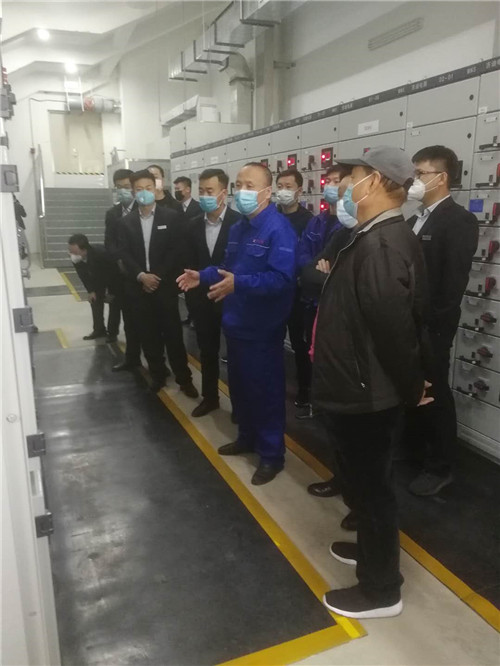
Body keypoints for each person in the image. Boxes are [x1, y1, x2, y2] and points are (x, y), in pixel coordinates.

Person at [313, 146, 432, 619]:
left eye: (354, 175)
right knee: (361, 484)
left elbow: (393, 329)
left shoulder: (381, 244)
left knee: (373, 491)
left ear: (377, 181)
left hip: (367, 393)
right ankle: (369, 550)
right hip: (355, 385)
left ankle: (381, 590)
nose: (344, 184)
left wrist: (410, 386)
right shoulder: (369, 236)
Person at [177, 162, 297, 485]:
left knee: (266, 393)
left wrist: (239, 284)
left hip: (263, 329)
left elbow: (282, 280)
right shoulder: (239, 228)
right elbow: (226, 268)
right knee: (241, 389)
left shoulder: (279, 229)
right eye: (239, 185)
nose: (242, 191)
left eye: (249, 186)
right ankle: (247, 437)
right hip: (236, 325)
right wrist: (202, 275)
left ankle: (271, 455)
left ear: (267, 192)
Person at [405, 145, 479, 496]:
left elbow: (452, 285)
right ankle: (416, 450)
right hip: (407, 323)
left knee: (435, 391)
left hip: (432, 326)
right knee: (412, 388)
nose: (415, 180)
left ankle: (440, 466)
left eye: (421, 173)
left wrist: (433, 329)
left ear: (442, 178)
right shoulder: (414, 219)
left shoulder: (458, 220)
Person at [302, 176, 359, 518]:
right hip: (331, 340)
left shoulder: (381, 239)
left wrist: (330, 277)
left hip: (359, 350)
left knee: (363, 440)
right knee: (338, 425)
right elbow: (309, 272)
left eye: (347, 193)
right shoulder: (342, 234)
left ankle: (361, 507)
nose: (341, 201)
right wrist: (330, 277)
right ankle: (342, 480)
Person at [119, 169, 198, 397]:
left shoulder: (171, 217)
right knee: (148, 335)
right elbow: (124, 253)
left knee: (173, 336)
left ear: (156, 189)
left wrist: (156, 276)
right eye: (139, 189)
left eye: (148, 188)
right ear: (133, 192)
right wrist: (141, 276)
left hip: (164, 288)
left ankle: (184, 379)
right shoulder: (125, 222)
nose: (144, 192)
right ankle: (157, 375)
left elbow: (176, 251)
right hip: (139, 288)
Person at [185, 168, 240, 417]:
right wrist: (192, 300)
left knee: (236, 356)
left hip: (231, 299)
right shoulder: (192, 225)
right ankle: (210, 398)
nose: (205, 196)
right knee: (207, 352)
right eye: (202, 191)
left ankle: (239, 406)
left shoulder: (239, 223)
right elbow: (189, 264)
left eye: (210, 191)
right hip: (202, 301)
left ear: (223, 193)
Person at [275, 168, 313, 409]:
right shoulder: (271, 217)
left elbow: (311, 256)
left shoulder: (308, 221)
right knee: (273, 339)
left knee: (300, 344)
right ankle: (274, 382)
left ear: (299, 190)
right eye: (280, 186)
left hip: (297, 294)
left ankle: (304, 389)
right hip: (274, 292)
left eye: (288, 187)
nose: (283, 191)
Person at [104, 168, 142, 369]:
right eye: (119, 187)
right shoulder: (112, 214)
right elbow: (109, 242)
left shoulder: (144, 208)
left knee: (150, 323)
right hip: (122, 276)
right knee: (129, 321)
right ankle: (132, 359)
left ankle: (158, 364)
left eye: (127, 187)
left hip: (142, 273)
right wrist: (119, 259)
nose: (123, 191)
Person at [68, 233, 121, 342]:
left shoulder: (101, 254)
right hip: (97, 278)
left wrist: (109, 292)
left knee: (114, 304)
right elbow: (83, 275)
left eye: (74, 252)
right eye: (70, 251)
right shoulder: (76, 258)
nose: (72, 254)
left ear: (84, 250)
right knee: (94, 300)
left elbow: (114, 272)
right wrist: (91, 291)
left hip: (114, 278)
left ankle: (112, 333)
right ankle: (99, 330)